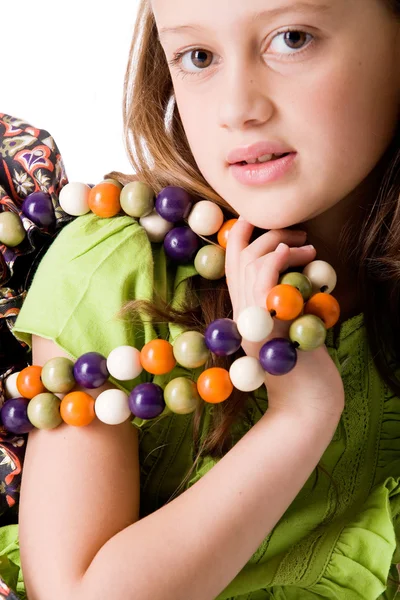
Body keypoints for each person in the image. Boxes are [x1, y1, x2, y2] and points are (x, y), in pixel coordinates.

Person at [1, 0, 400, 597]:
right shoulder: (113, 272)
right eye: (198, 56)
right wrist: (298, 418)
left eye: (292, 39)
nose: (239, 109)